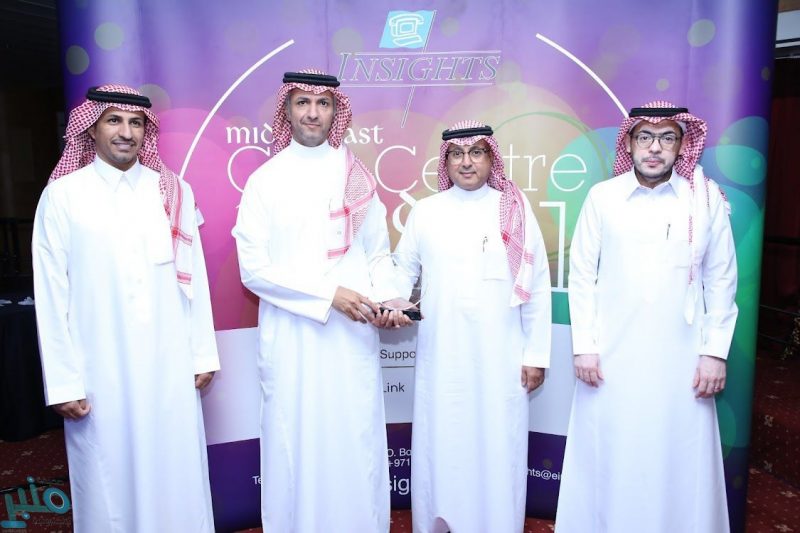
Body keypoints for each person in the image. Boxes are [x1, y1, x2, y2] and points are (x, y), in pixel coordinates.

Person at [32, 84, 220, 532]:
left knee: (176, 471)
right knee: (108, 479)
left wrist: (202, 353)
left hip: (169, 364)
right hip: (100, 370)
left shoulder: (173, 191)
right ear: (91, 129)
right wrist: (63, 381)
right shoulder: (63, 196)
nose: (126, 132)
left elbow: (195, 280)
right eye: (114, 121)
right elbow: (51, 294)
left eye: (136, 123)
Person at [232, 69, 409, 532]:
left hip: (351, 338)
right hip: (293, 340)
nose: (313, 112)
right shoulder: (265, 180)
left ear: (335, 112)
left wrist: (389, 299)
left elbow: (376, 255)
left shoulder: (356, 177)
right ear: (287, 110)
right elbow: (254, 269)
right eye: (303, 103)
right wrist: (329, 295)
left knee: (354, 441)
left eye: (323, 103)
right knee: (295, 443)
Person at [555, 102, 738, 532]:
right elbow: (581, 277)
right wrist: (585, 347)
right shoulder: (603, 197)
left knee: (677, 452)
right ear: (629, 144)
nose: (655, 148)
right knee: (612, 449)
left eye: (667, 138)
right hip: (611, 357)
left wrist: (714, 353)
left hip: (682, 359)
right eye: (645, 138)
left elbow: (721, 279)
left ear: (682, 146)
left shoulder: (704, 199)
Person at [391, 121, 552, 533]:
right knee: (441, 442)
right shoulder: (426, 212)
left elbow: (536, 285)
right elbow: (402, 271)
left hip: (501, 357)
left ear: (490, 158)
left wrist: (535, 355)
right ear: (445, 161)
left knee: (497, 444)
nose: (466, 162)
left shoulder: (513, 210)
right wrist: (392, 302)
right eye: (457, 154)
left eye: (476, 152)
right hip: (441, 356)